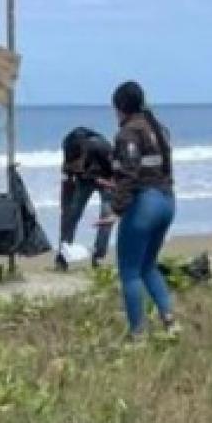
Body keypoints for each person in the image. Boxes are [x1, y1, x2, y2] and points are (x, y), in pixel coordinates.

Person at [99, 81, 179, 338]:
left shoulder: (128, 133)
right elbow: (154, 168)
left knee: (129, 271)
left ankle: (138, 334)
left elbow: (130, 174)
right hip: (167, 201)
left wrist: (115, 210)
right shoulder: (160, 128)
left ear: (121, 108)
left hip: (145, 204)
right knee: (148, 266)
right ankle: (170, 321)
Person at [56, 126, 115, 271]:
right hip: (85, 181)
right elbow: (67, 181)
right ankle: (63, 256)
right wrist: (65, 208)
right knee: (71, 215)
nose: (75, 167)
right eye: (73, 166)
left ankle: (98, 255)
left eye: (77, 164)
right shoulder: (69, 148)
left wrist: (108, 183)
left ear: (83, 153)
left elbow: (120, 172)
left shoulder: (101, 147)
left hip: (107, 177)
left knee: (106, 217)